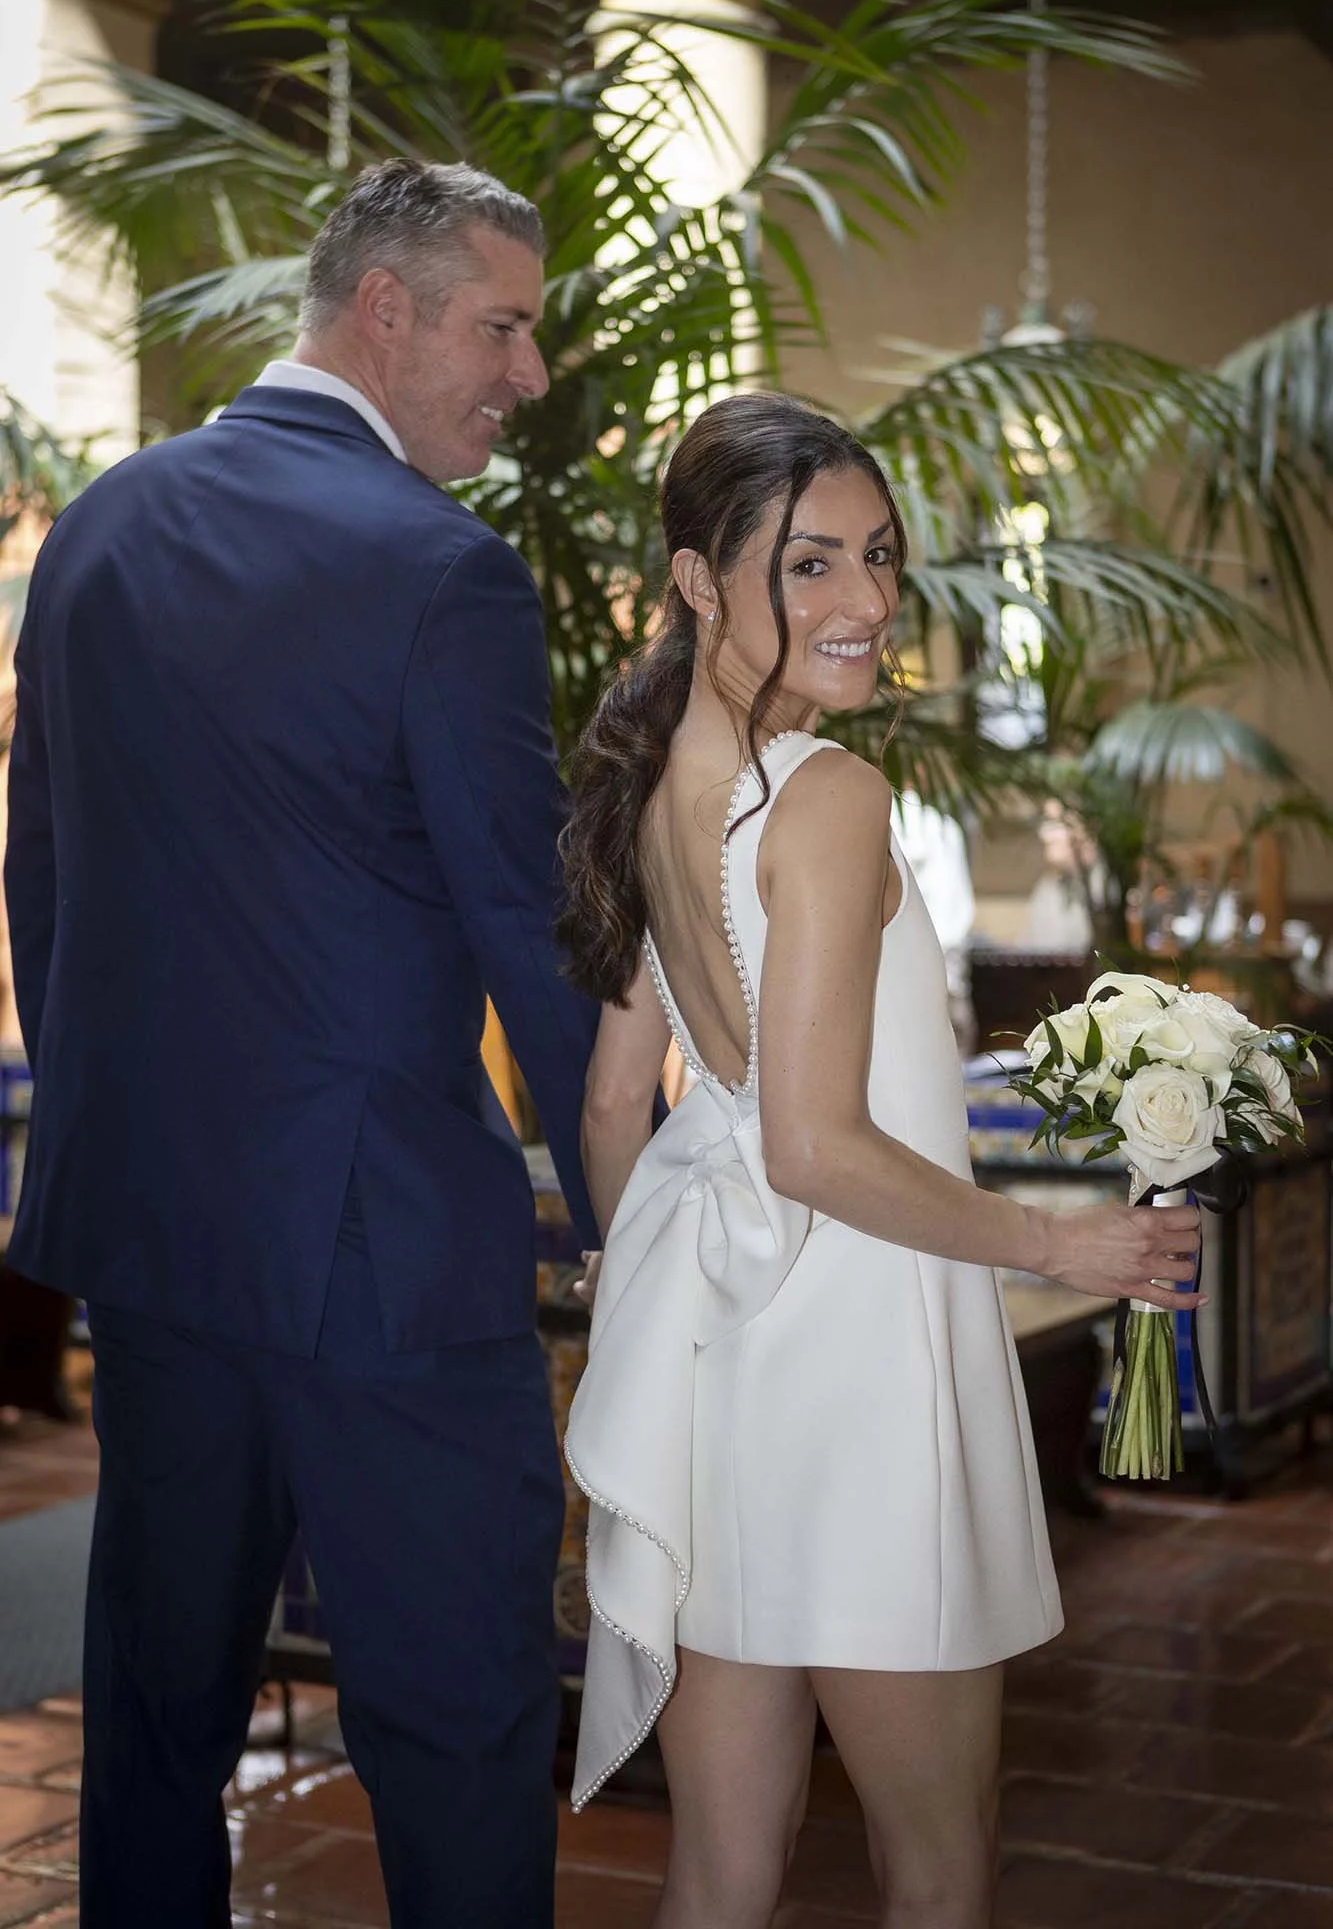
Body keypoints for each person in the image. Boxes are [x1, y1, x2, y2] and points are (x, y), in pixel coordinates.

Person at [4, 157, 600, 1929]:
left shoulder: (98, 526)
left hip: (158, 1249)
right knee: (460, 1724)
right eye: (503, 324)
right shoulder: (444, 571)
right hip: (385, 1270)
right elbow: (537, 950)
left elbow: (45, 886)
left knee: (160, 1720)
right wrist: (646, 1218)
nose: (531, 371)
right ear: (386, 310)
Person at [557, 392, 1203, 1929]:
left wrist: (653, 1284)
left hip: (725, 1371)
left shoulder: (662, 791)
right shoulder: (831, 799)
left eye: (882, 562)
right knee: (937, 1863)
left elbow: (606, 1106)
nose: (866, 606)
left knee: (719, 1868)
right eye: (811, 567)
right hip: (868, 1370)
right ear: (700, 583)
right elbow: (813, 1145)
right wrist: (1062, 1247)